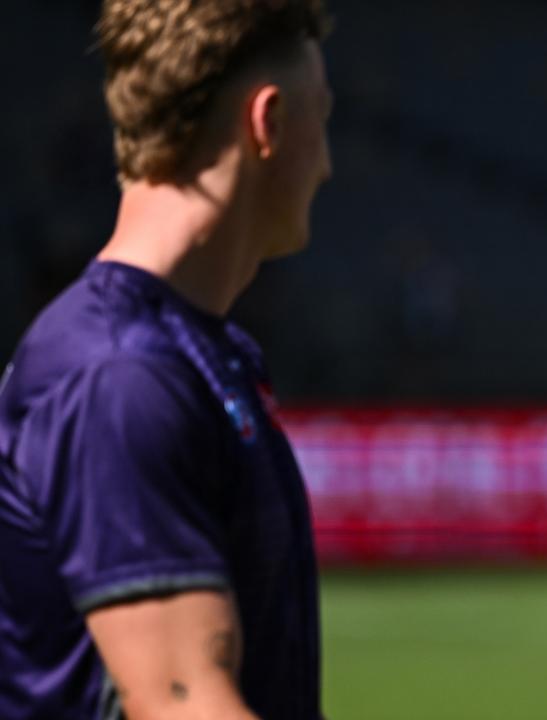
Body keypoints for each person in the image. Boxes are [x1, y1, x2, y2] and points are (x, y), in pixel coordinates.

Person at [0, 1, 333, 717]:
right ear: (267, 121)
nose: (328, 166)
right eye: (322, 119)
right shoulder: (118, 374)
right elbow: (184, 703)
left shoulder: (211, 355)